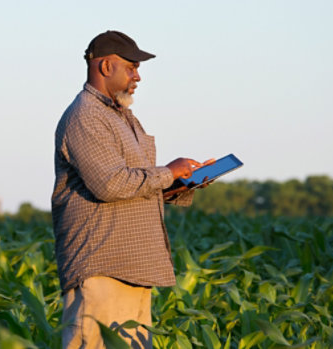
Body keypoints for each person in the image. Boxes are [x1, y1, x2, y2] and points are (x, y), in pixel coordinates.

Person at [51, 30, 212, 349]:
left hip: (133, 266)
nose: (137, 76)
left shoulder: (124, 118)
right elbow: (109, 184)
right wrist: (168, 172)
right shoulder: (86, 116)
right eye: (131, 67)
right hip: (102, 267)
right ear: (106, 67)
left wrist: (181, 182)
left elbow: (133, 185)